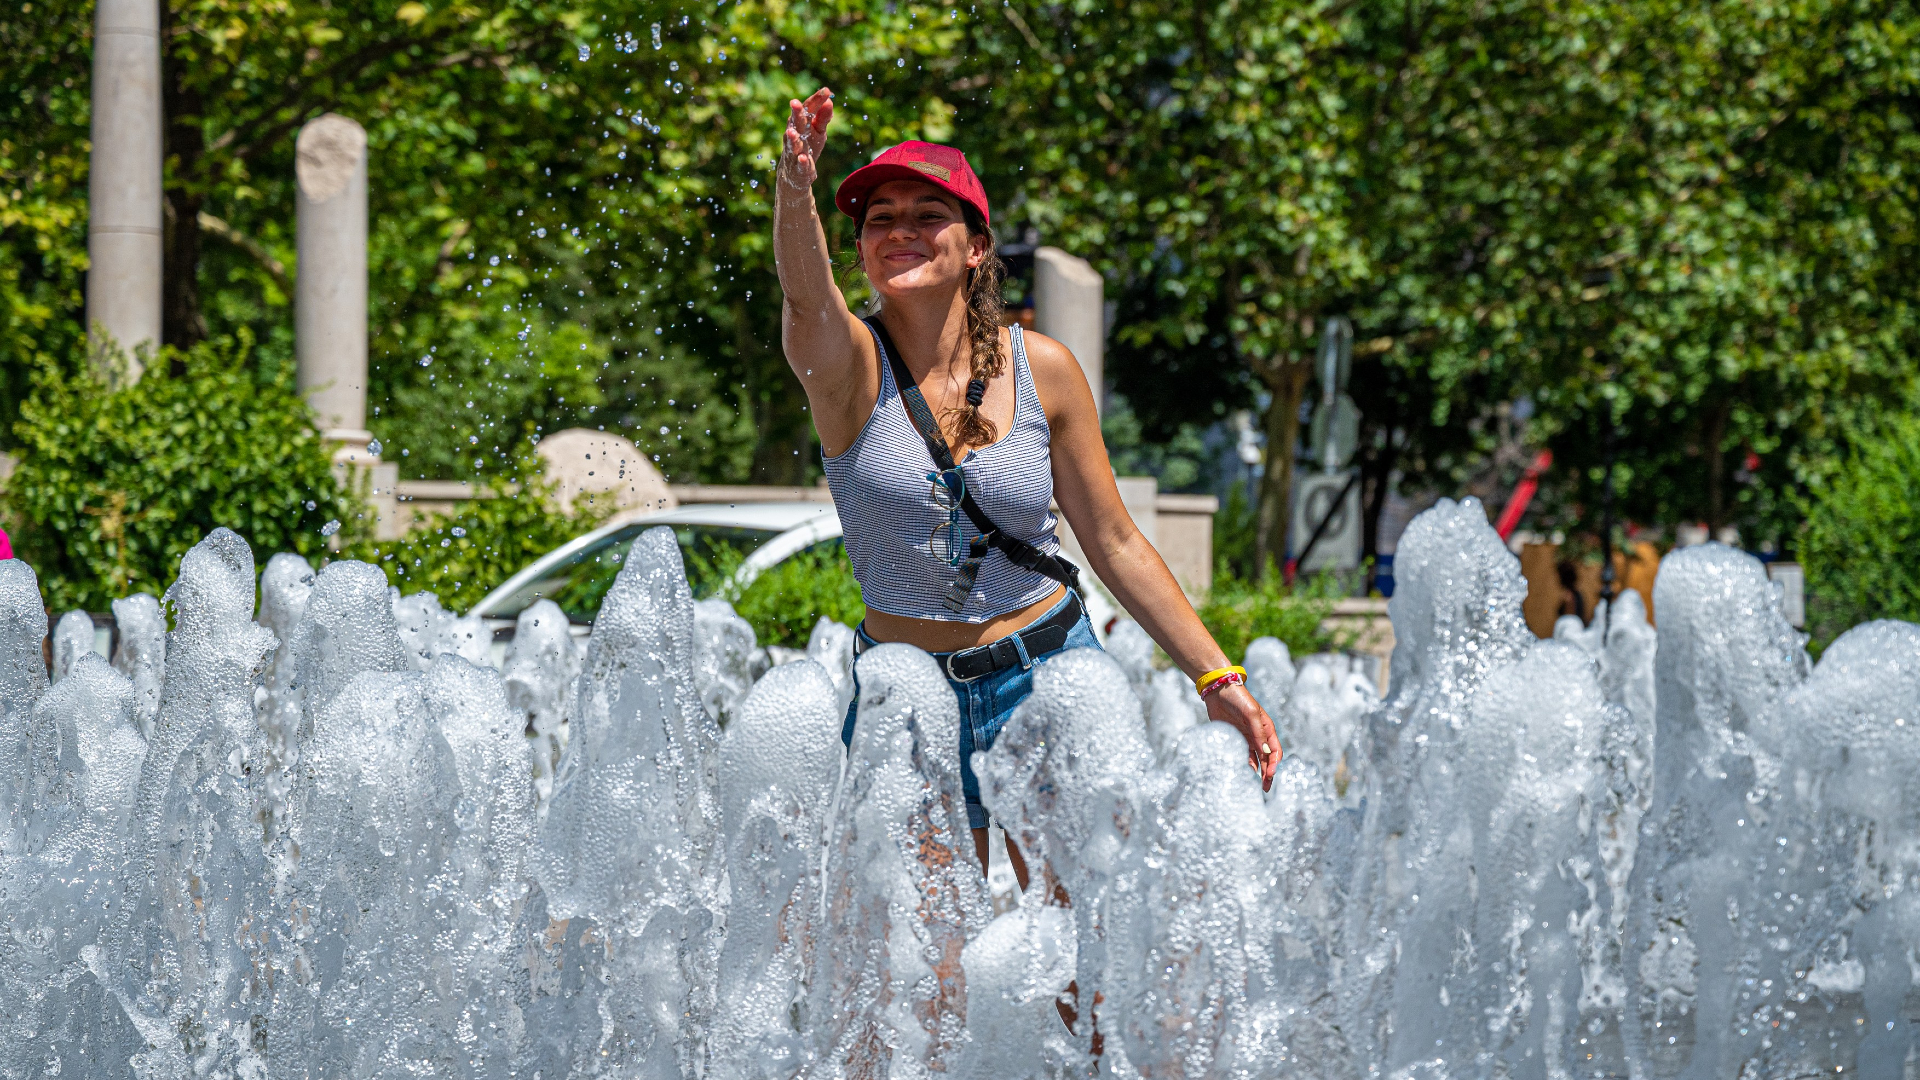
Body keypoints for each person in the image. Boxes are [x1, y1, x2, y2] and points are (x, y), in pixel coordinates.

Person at [773, 87, 1281, 868]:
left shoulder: (1043, 370)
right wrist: (796, 188)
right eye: (880, 219)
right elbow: (807, 299)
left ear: (976, 247)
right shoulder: (849, 371)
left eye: (925, 214)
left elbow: (1112, 540)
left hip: (1047, 674)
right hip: (905, 700)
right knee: (923, 974)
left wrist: (1217, 676)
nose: (900, 230)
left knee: (1081, 959)